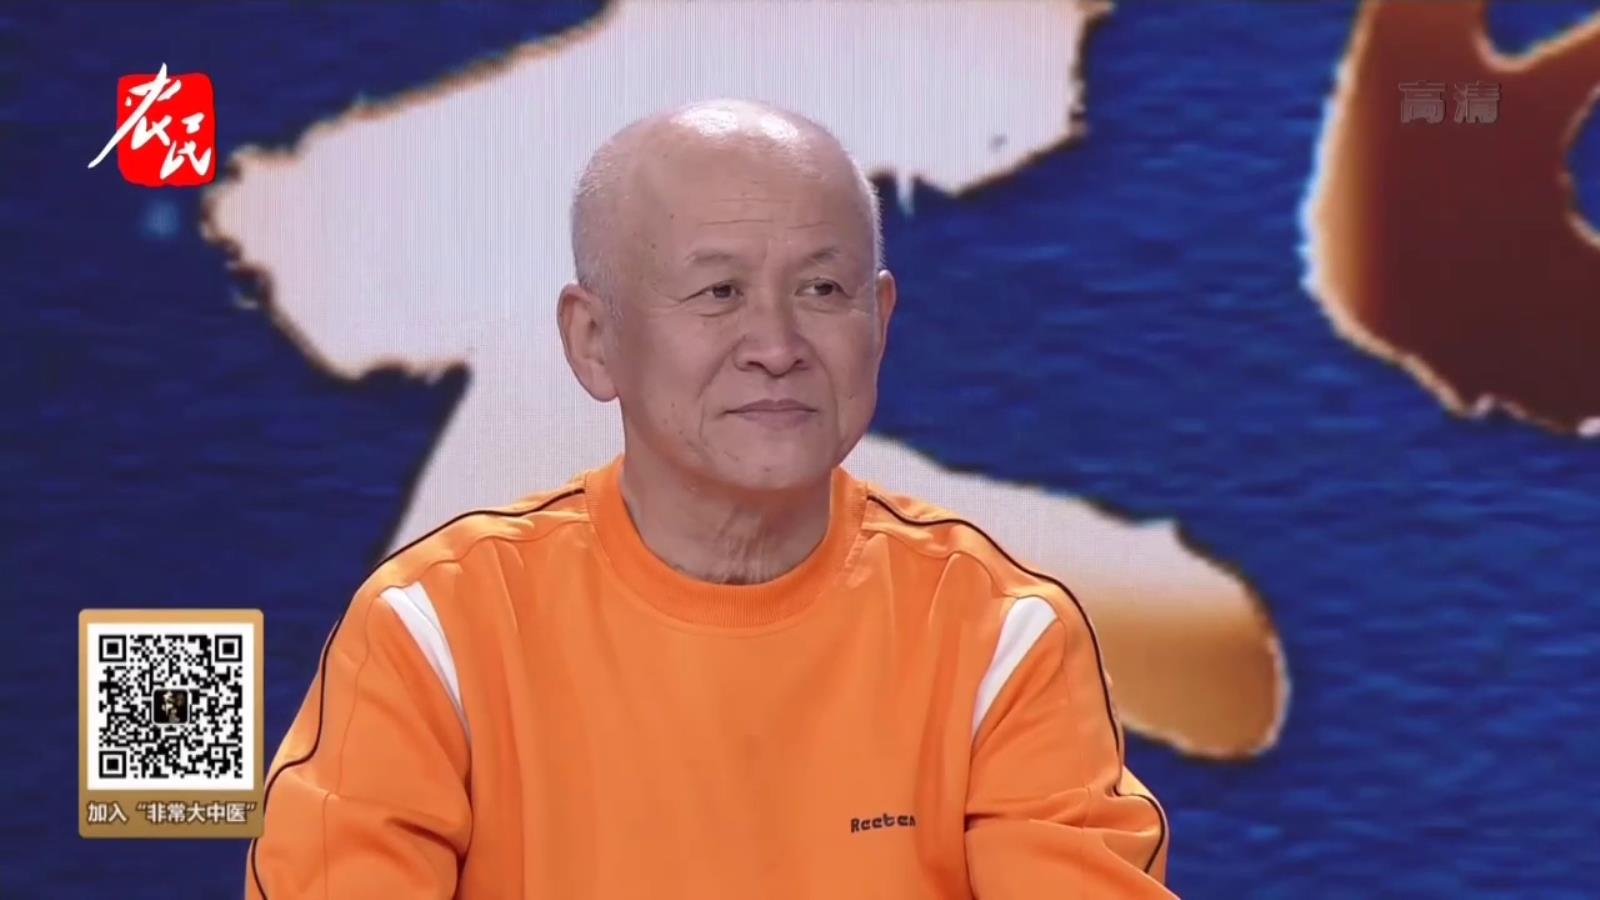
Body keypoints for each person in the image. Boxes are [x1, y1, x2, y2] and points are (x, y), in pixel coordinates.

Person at [245, 98, 1173, 899]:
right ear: (594, 340)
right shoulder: (433, 633)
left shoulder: (999, 639)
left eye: (822, 288)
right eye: (719, 291)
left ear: (879, 323)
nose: (776, 344)